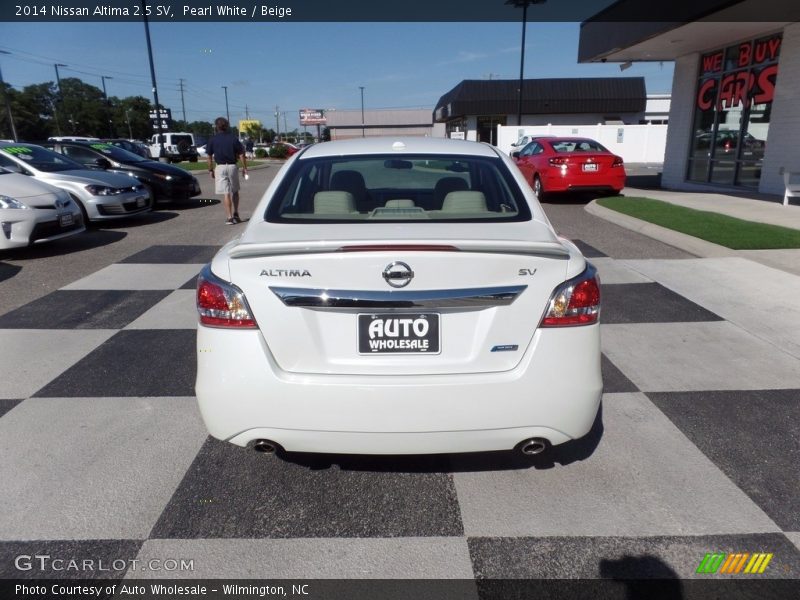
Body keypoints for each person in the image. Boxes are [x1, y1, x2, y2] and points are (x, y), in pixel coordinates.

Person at [206, 117, 247, 224]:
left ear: (216, 126)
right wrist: (244, 168)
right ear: (227, 126)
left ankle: (229, 217)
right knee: (235, 191)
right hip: (232, 166)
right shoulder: (233, 138)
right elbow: (242, 154)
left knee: (226, 193)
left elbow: (209, 156)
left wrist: (210, 169)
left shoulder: (213, 139)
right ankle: (236, 213)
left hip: (220, 167)